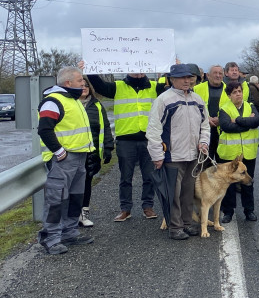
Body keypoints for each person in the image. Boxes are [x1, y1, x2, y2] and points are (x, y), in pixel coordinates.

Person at [83, 62, 159, 222]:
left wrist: (173, 67)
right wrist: (90, 69)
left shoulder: (154, 86)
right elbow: (99, 86)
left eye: (141, 68)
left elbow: (172, 87)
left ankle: (148, 206)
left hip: (148, 139)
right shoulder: (118, 86)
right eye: (134, 67)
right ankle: (125, 209)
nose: (138, 71)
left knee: (149, 176)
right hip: (126, 140)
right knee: (126, 177)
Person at [146, 64, 210, 240]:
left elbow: (204, 126)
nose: (187, 81)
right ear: (172, 79)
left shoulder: (198, 100)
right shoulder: (163, 100)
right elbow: (153, 130)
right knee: (173, 193)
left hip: (193, 156)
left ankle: (187, 224)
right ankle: (175, 227)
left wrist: (204, 142)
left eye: (189, 77)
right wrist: (157, 155)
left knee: (188, 192)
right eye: (182, 78)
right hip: (172, 155)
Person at [37, 67, 95, 255]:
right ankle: (51, 239)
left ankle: (69, 233)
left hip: (79, 157)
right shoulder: (53, 101)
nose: (83, 84)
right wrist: (59, 152)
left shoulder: (73, 100)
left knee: (75, 198)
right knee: (57, 200)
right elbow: (45, 129)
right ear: (68, 83)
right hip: (63, 160)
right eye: (80, 81)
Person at [218, 81, 259, 223]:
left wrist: (237, 120)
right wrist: (246, 123)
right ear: (229, 95)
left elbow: (257, 121)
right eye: (235, 92)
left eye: (240, 91)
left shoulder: (250, 106)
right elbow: (226, 126)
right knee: (228, 184)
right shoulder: (224, 109)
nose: (238, 94)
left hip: (248, 152)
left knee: (247, 182)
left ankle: (249, 210)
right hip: (230, 153)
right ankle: (228, 212)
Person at [78, 81, 114, 228]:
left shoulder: (97, 105)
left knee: (86, 184)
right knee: (72, 187)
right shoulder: (70, 104)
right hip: (74, 151)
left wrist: (108, 147)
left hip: (92, 153)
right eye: (81, 86)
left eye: (86, 86)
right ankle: (71, 216)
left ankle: (83, 214)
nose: (84, 88)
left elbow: (105, 127)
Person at [193, 64, 225, 169]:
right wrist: (206, 119)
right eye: (215, 73)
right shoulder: (196, 89)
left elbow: (235, 110)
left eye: (220, 73)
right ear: (208, 75)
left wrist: (221, 119)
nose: (218, 75)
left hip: (224, 134)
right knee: (204, 167)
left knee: (223, 168)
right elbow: (192, 110)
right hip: (204, 134)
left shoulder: (229, 89)